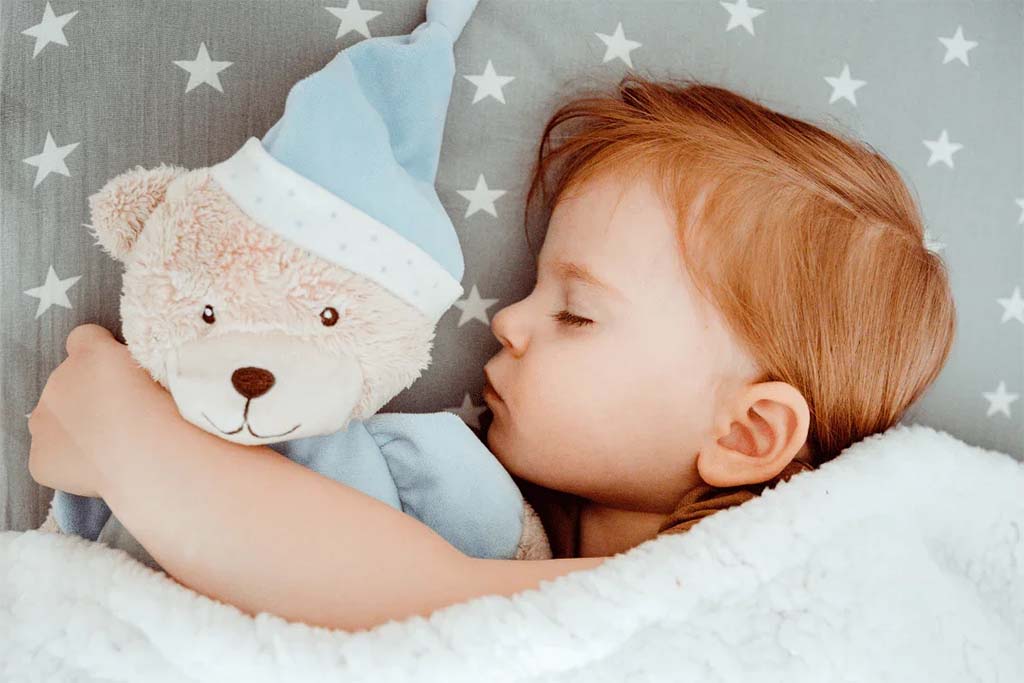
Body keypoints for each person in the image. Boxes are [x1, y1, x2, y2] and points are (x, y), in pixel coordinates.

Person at [27, 74, 957, 633]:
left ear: (751, 431)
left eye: (577, 313)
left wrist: (125, 425)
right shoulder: (517, 530)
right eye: (536, 287)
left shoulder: (751, 584)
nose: (508, 320)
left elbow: (404, 594)